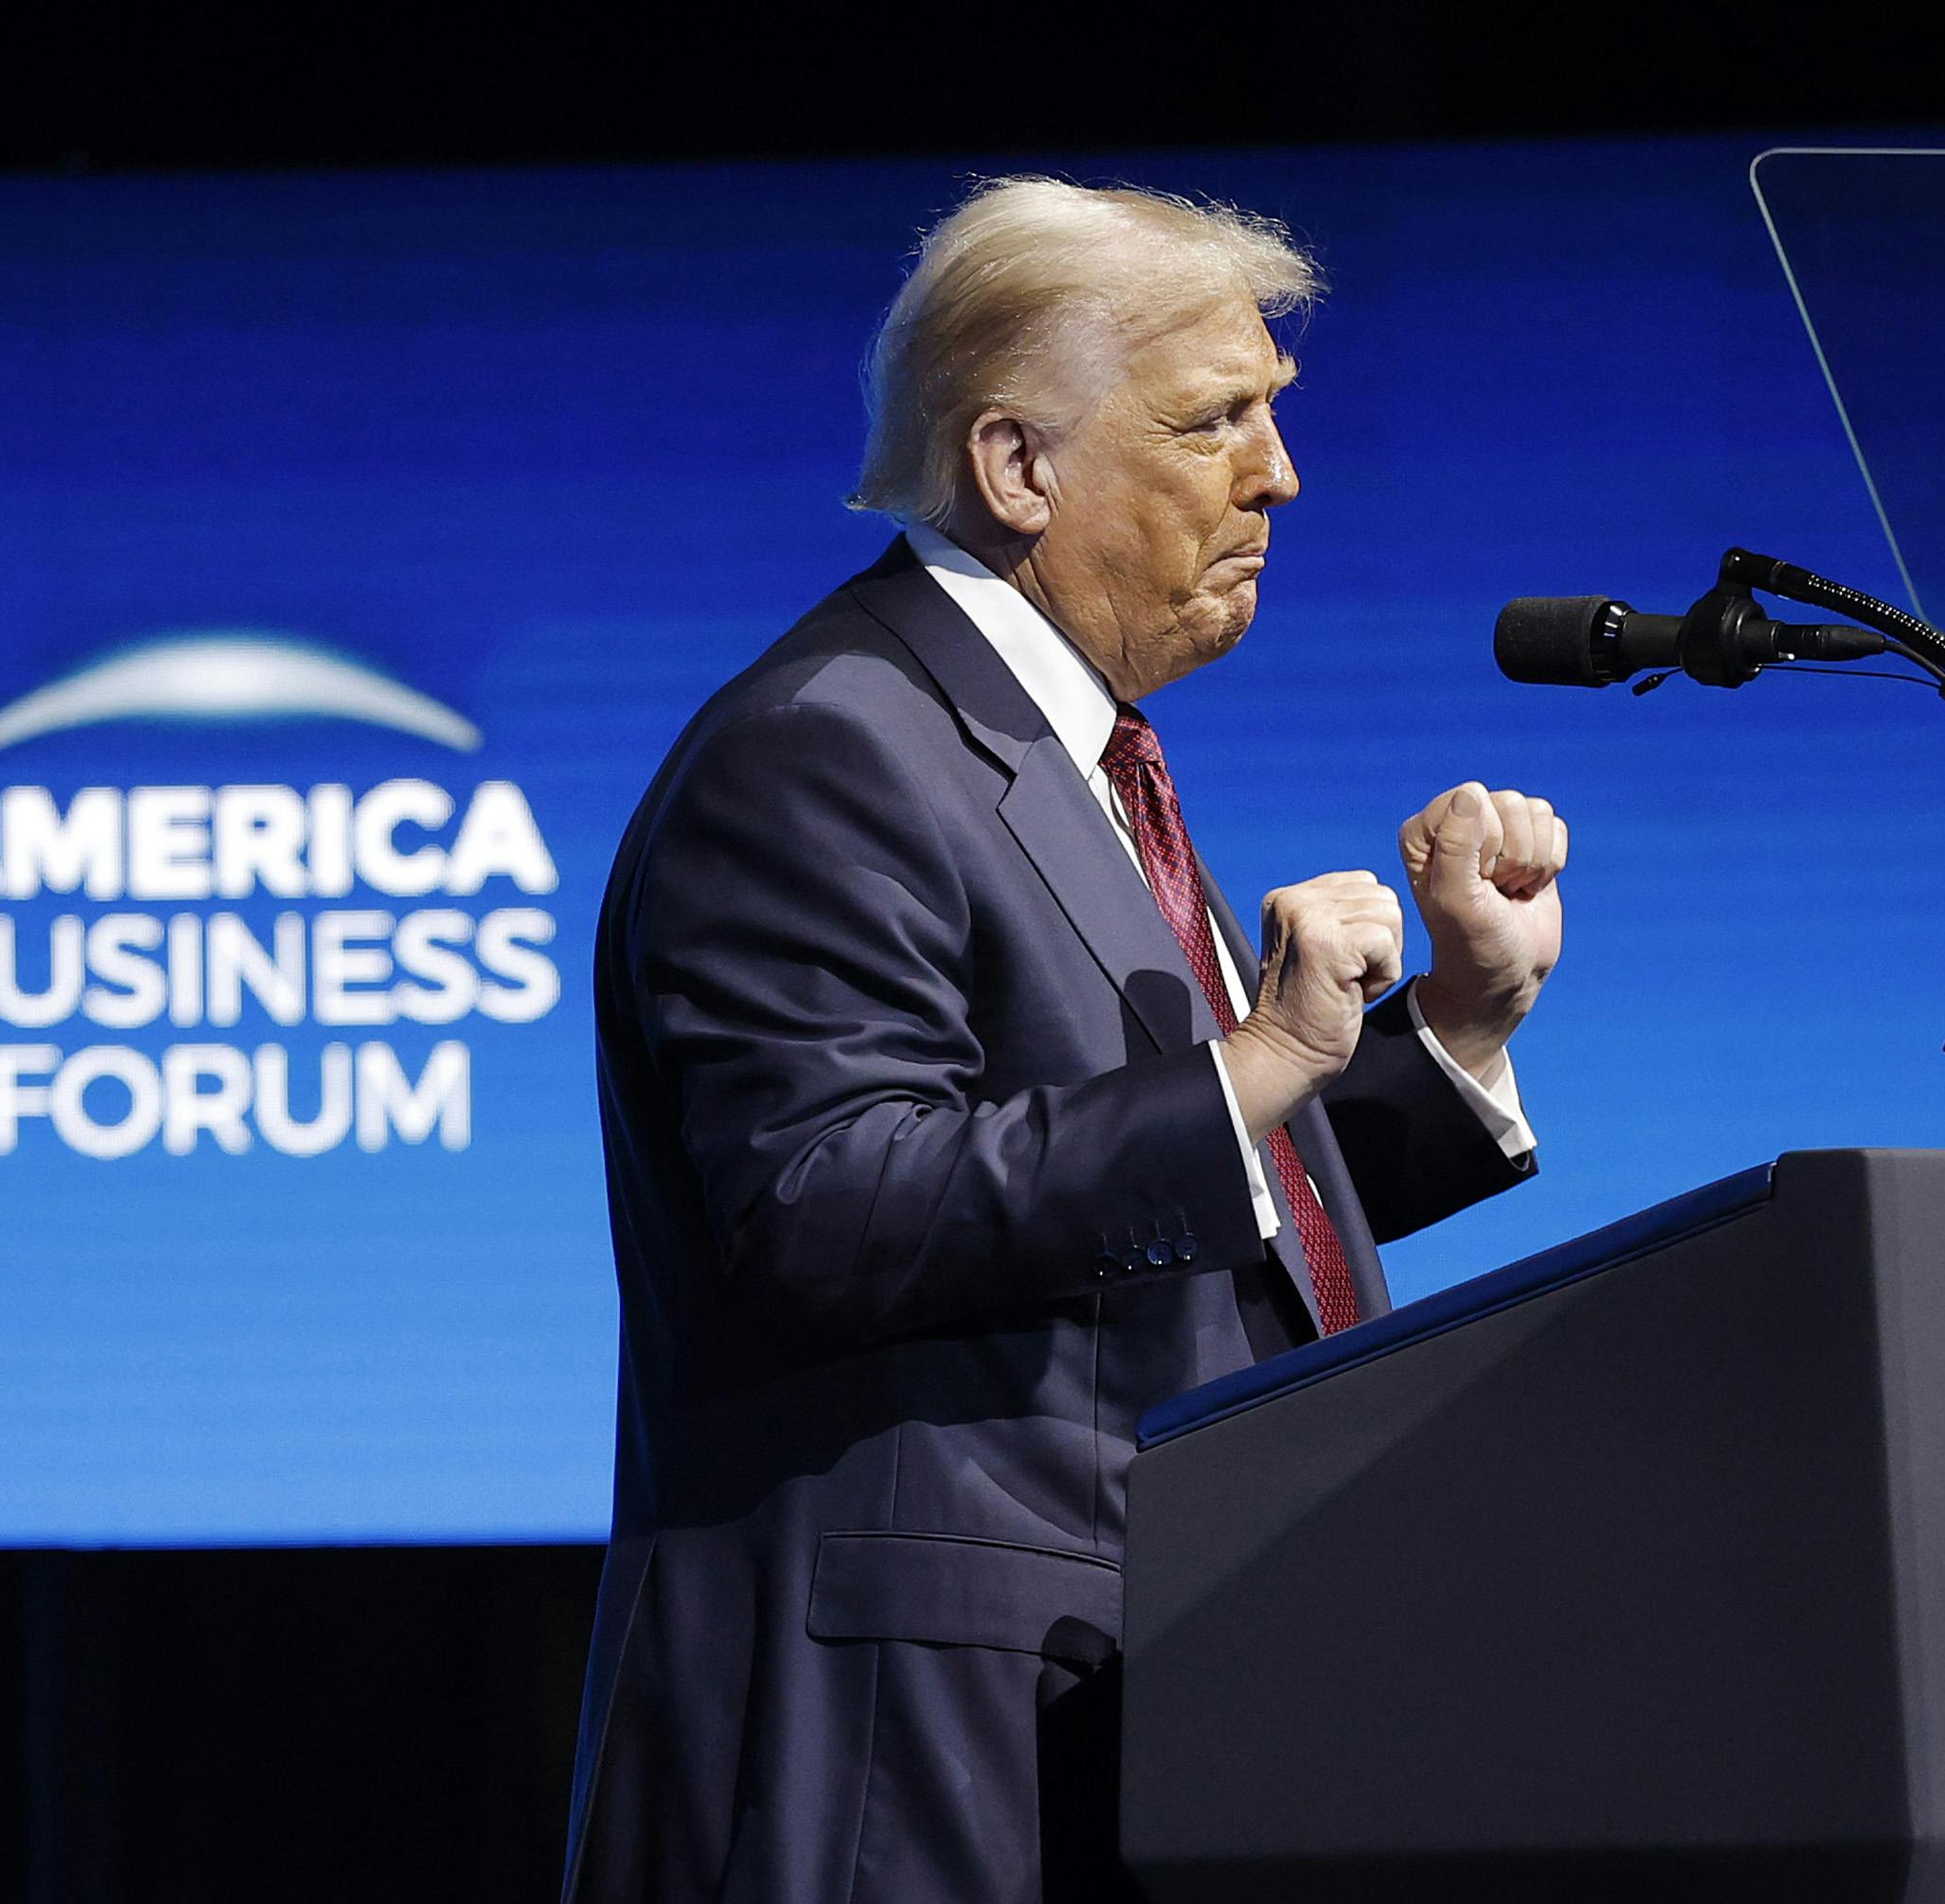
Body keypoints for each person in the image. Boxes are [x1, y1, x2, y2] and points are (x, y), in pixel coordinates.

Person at [562, 177, 1569, 1904]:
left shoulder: (1068, 754)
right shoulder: (829, 747)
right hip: (900, 1746)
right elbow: (820, 1207)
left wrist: (1450, 1030)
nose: (1278, 474)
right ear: (1018, 466)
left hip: (1117, 1705)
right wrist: (1253, 1066)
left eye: (1275, 415)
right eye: (1215, 423)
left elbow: (1165, 1236)